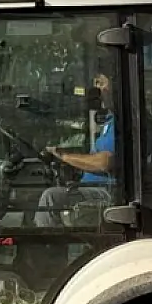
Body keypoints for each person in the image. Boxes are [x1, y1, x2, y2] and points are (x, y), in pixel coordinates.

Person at [37, 74, 115, 228]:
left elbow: (104, 162)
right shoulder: (109, 120)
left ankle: (47, 249)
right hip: (91, 188)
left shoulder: (124, 121)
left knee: (51, 198)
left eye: (101, 83)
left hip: (107, 192)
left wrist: (63, 155)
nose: (97, 89)